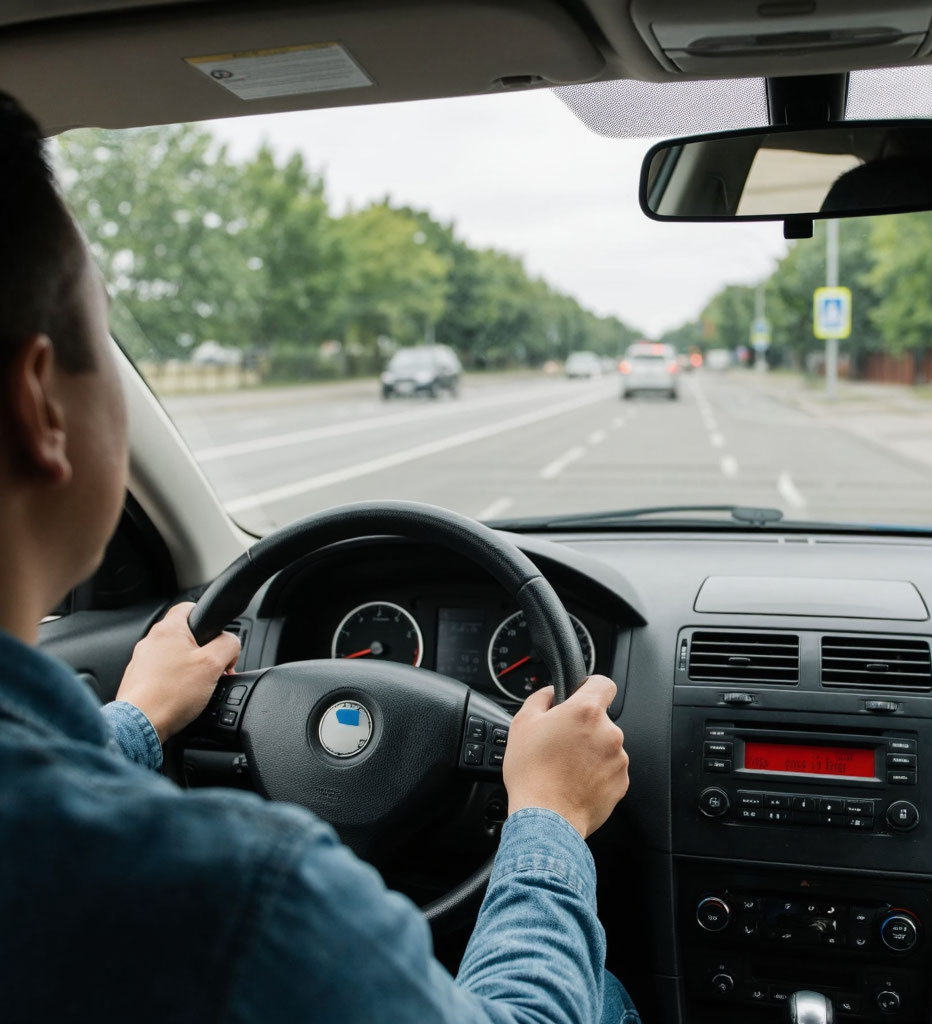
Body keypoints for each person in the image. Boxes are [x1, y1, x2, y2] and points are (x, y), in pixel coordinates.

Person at [0, 91, 639, 1023]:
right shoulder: (246, 903)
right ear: (41, 408)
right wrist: (548, 815)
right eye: (105, 342)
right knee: (605, 993)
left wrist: (136, 718)